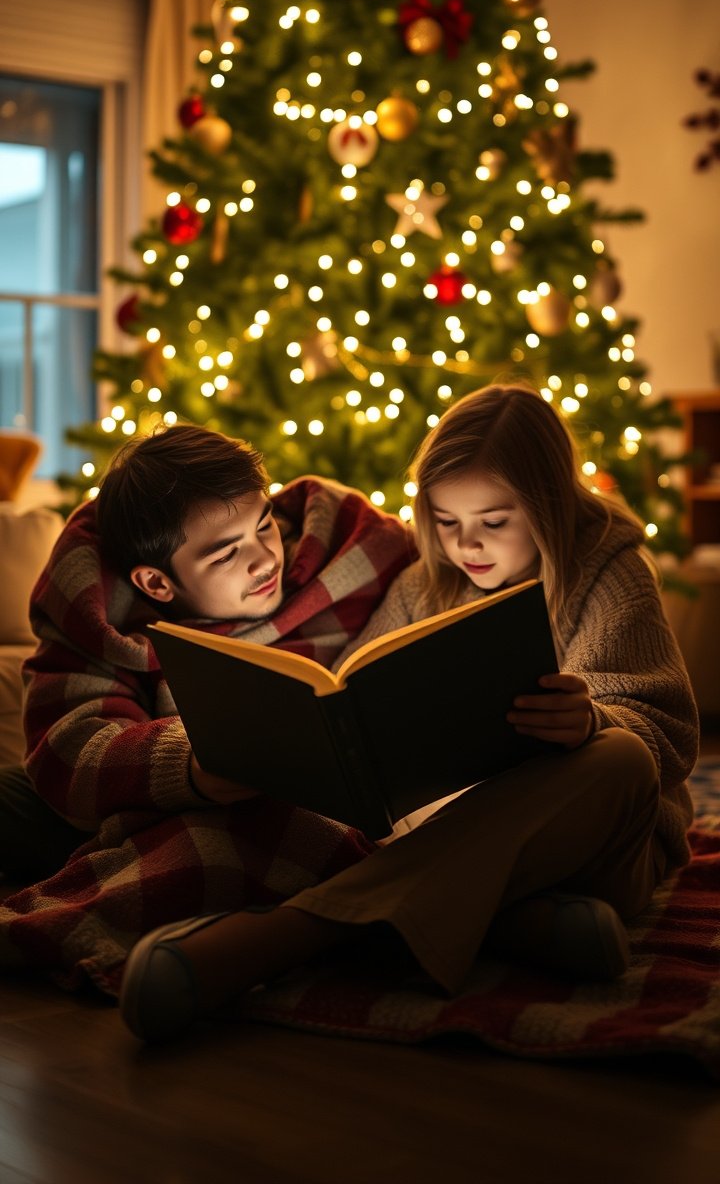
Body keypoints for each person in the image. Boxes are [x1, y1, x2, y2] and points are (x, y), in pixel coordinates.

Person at [117, 383, 699, 1044]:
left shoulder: (612, 571)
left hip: (607, 846)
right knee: (430, 838)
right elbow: (361, 698)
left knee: (619, 757)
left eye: (494, 521)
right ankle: (526, 924)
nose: (466, 545)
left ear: (549, 505)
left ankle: (288, 936)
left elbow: (668, 736)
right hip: (449, 835)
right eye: (446, 523)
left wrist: (596, 721)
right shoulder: (425, 582)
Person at [0, 424, 414, 990]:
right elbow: (68, 745)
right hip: (156, 801)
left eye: (264, 524)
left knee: (267, 835)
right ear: (157, 582)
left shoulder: (351, 546)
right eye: (226, 554)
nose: (263, 557)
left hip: (346, 806)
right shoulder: (99, 612)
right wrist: (190, 765)